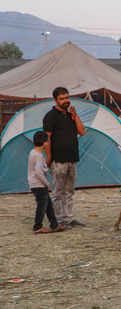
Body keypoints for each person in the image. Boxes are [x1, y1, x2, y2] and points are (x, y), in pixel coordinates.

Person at [43, 87, 86, 228]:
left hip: (72, 159)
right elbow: (47, 138)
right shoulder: (51, 116)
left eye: (67, 97)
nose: (65, 100)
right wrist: (48, 157)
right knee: (58, 192)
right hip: (58, 160)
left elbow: (82, 132)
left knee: (69, 191)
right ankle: (58, 220)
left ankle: (69, 218)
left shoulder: (71, 115)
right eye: (62, 98)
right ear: (55, 100)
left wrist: (76, 115)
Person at [29, 131, 66, 234]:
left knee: (49, 205)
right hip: (39, 185)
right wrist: (46, 183)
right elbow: (38, 173)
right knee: (42, 206)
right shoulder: (38, 156)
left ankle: (54, 225)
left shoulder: (33, 152)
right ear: (45, 143)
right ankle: (37, 226)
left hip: (37, 184)